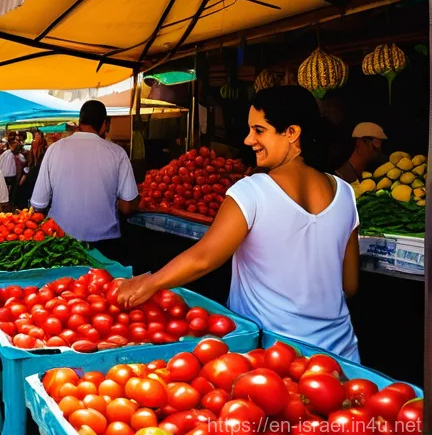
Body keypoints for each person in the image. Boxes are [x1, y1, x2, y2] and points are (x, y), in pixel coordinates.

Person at [116, 86, 361, 361]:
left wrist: (150, 283)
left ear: (291, 133)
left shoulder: (252, 191)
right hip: (342, 357)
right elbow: (349, 285)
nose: (248, 140)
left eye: (259, 130)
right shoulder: (345, 193)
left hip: (274, 357)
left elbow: (204, 258)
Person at [30, 100, 139, 258]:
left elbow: (39, 203)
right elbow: (127, 207)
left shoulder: (54, 149)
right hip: (105, 246)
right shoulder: (117, 153)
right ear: (104, 124)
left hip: (60, 241)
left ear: (79, 123)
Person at [0, 138, 19, 207]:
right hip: (9, 176)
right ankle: (7, 206)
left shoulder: (7, 153)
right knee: (8, 193)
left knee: (7, 193)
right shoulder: (8, 153)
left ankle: (7, 205)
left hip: (6, 175)